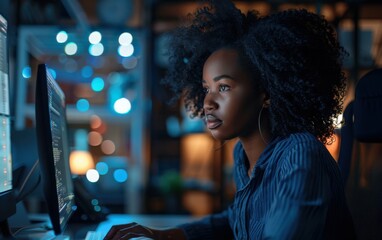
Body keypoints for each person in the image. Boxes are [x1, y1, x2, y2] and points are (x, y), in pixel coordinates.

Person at [104, 0, 356, 239]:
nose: (208, 102)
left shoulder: (300, 154)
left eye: (223, 87)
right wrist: (162, 235)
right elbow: (235, 219)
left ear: (266, 92)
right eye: (206, 89)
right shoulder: (243, 156)